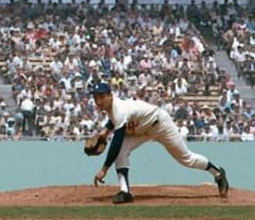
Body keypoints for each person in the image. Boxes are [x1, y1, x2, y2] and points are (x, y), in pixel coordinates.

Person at [89, 82, 229, 204]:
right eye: (95, 97)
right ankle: (125, 192)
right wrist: (104, 133)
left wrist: (104, 170)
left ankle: (217, 173)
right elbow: (113, 120)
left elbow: (117, 140)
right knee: (121, 152)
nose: (98, 101)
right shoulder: (111, 108)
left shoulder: (119, 108)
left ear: (110, 96)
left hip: (160, 125)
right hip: (140, 130)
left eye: (101, 97)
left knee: (186, 159)